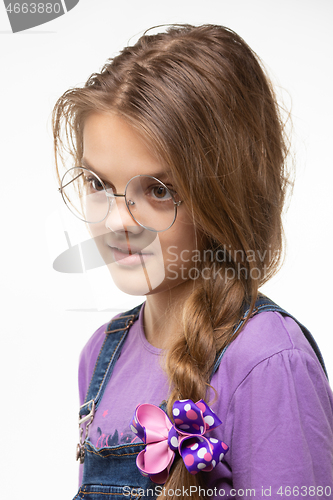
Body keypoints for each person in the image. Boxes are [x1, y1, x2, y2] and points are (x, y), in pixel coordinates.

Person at [53, 24, 333, 500]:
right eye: (98, 184)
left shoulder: (266, 360)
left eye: (158, 191)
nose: (119, 220)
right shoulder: (100, 355)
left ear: (224, 194)